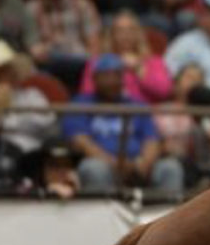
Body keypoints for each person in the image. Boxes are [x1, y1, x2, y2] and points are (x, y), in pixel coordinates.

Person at [63, 53, 184, 193]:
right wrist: (114, 164)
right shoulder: (80, 104)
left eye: (117, 75)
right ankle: (102, 208)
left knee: (170, 167)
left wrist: (143, 164)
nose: (112, 80)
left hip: (138, 166)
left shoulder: (137, 105)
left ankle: (168, 207)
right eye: (106, 75)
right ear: (95, 78)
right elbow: (81, 141)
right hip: (103, 163)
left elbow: (151, 139)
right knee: (93, 167)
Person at [80, 11, 173, 104]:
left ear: (138, 34)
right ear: (112, 34)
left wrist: (139, 69)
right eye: (120, 31)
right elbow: (87, 94)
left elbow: (164, 91)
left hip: (144, 111)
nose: (125, 35)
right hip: (107, 110)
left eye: (130, 30)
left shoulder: (153, 62)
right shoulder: (97, 62)